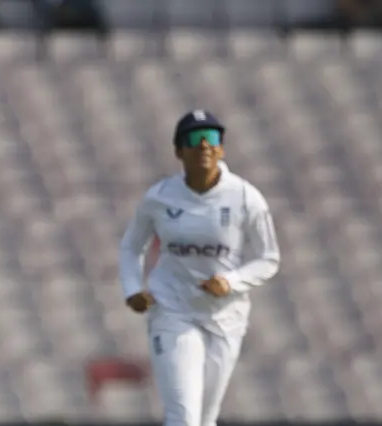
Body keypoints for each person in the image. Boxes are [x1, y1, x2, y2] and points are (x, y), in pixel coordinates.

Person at [118, 110, 281, 426]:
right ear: (179, 151)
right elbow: (130, 246)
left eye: (213, 138)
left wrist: (231, 282)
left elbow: (268, 257)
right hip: (173, 311)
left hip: (225, 318)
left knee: (206, 420)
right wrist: (133, 289)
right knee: (184, 418)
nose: (204, 145)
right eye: (194, 139)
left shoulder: (246, 197)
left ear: (221, 149)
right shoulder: (160, 197)